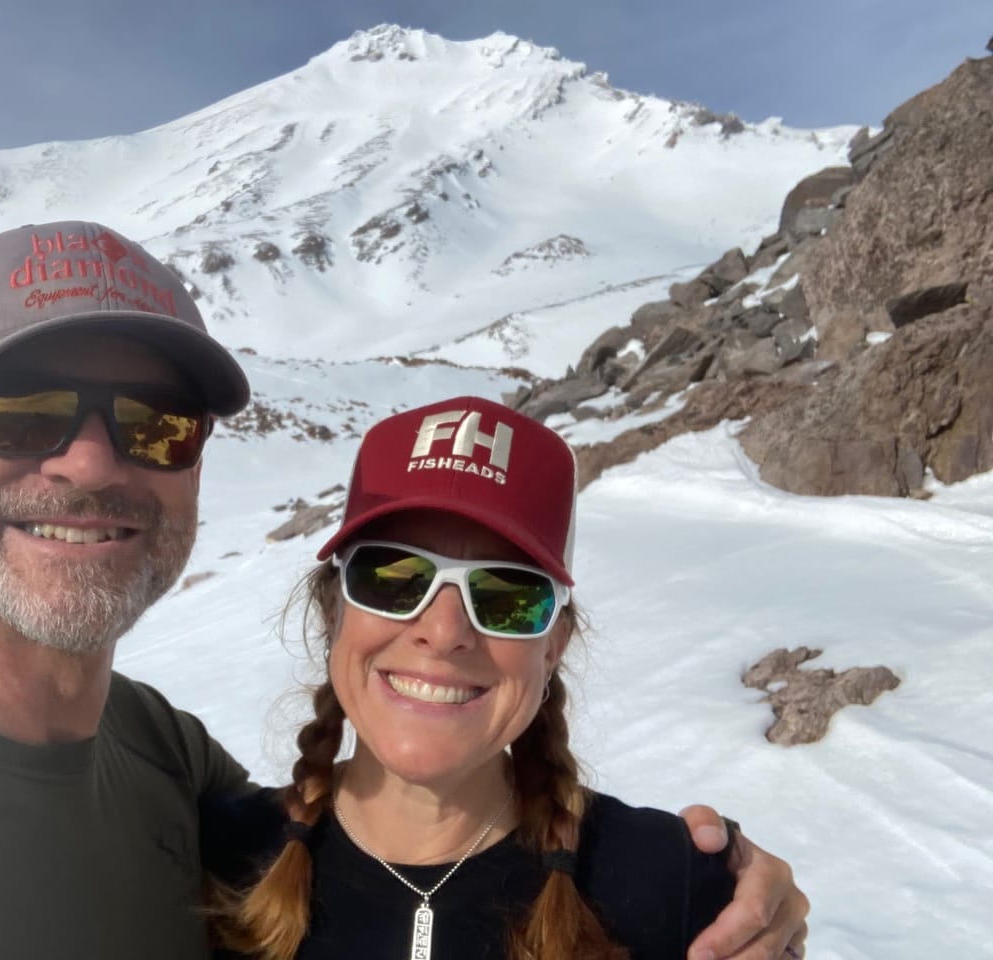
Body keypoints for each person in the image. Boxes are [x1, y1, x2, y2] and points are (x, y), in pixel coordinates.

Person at [0, 221, 805, 960]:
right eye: (18, 409)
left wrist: (736, 894)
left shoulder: (177, 781)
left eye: (154, 423)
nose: (93, 464)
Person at [213, 396, 808, 960]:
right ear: (332, 613)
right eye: (392, 577)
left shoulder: (666, 886)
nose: (444, 632)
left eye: (507, 595)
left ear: (553, 647)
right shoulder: (217, 860)